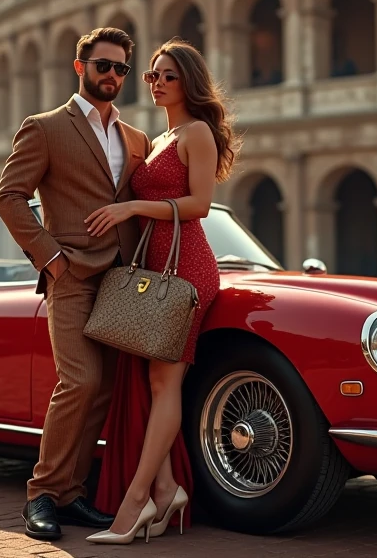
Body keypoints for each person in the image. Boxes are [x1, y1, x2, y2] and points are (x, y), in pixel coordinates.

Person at [0, 27, 152, 541]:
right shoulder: (44, 129)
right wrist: (51, 258)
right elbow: (10, 196)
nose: (112, 75)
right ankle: (40, 495)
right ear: (79, 65)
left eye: (121, 68)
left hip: (122, 279)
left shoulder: (135, 139)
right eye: (102, 65)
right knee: (79, 380)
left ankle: (72, 494)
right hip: (72, 276)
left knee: (104, 389)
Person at [82, 39, 241, 544]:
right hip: (154, 266)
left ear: (188, 81)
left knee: (164, 384)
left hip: (187, 265)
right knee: (155, 383)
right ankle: (168, 488)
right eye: (150, 75)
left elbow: (198, 205)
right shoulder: (157, 137)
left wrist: (131, 209)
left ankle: (135, 503)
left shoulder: (196, 133)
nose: (155, 83)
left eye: (166, 75)